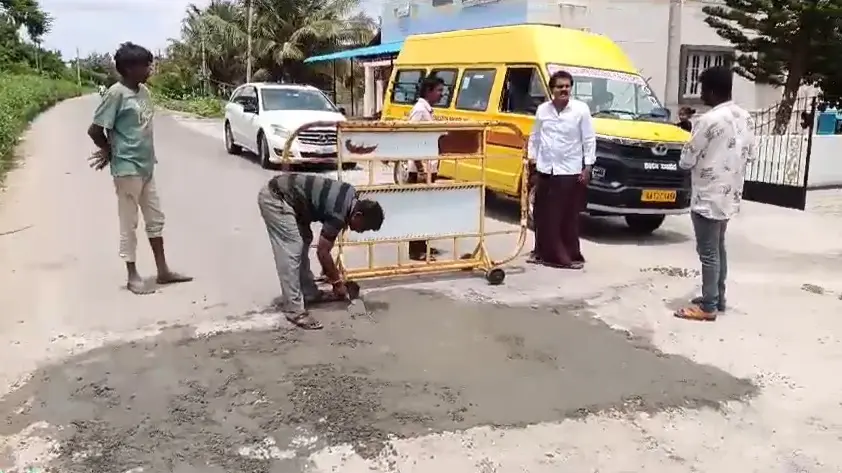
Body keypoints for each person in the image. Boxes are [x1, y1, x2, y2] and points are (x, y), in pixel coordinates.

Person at [87, 42, 192, 294]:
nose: (150, 68)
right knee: (129, 223)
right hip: (127, 168)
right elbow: (95, 129)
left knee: (155, 219)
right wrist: (110, 150)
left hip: (146, 166)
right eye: (146, 64)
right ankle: (132, 275)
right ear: (129, 68)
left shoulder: (143, 91)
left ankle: (163, 270)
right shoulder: (116, 94)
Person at [674, 66, 754, 321]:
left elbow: (687, 159)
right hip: (730, 195)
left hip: (707, 196)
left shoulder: (707, 121)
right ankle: (718, 297)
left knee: (708, 252)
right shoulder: (745, 117)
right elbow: (750, 155)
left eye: (701, 90)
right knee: (718, 248)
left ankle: (708, 306)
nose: (701, 95)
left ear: (710, 90)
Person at [258, 173, 384, 330]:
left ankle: (308, 292)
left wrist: (331, 274)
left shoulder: (351, 195)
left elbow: (326, 247)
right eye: (363, 227)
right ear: (358, 215)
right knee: (292, 250)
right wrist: (337, 283)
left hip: (292, 200)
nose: (360, 232)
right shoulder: (339, 212)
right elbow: (323, 252)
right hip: (277, 198)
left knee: (304, 239)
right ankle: (294, 310)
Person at [527, 70, 596, 270]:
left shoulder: (580, 110)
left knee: (565, 216)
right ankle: (541, 253)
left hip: (569, 170)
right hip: (545, 169)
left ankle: (568, 256)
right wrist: (532, 161)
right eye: (559, 86)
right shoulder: (543, 110)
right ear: (552, 90)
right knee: (542, 214)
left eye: (567, 86)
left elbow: (589, 139)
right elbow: (536, 137)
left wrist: (588, 166)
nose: (564, 90)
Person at [406, 76, 445, 261]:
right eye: (438, 90)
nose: (441, 94)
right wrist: (422, 169)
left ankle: (423, 245)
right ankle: (416, 250)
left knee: (425, 210)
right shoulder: (419, 111)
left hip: (429, 168)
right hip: (420, 170)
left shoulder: (427, 110)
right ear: (428, 91)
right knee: (417, 211)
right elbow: (411, 139)